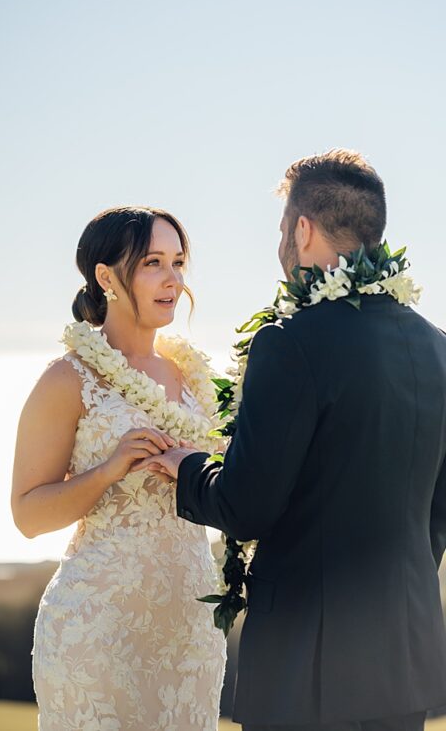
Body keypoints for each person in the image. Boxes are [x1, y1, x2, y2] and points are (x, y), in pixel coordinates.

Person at [144, 150, 446, 731]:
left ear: (303, 229)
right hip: (403, 657)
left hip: (308, 666)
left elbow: (247, 504)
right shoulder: (436, 348)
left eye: (285, 226)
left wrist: (189, 467)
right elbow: (440, 510)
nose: (283, 240)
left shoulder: (291, 342)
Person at [12, 207, 226, 729]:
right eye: (153, 262)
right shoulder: (68, 378)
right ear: (106, 276)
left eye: (178, 263)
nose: (173, 279)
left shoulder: (197, 378)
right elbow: (27, 515)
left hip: (191, 629)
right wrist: (110, 469)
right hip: (98, 628)